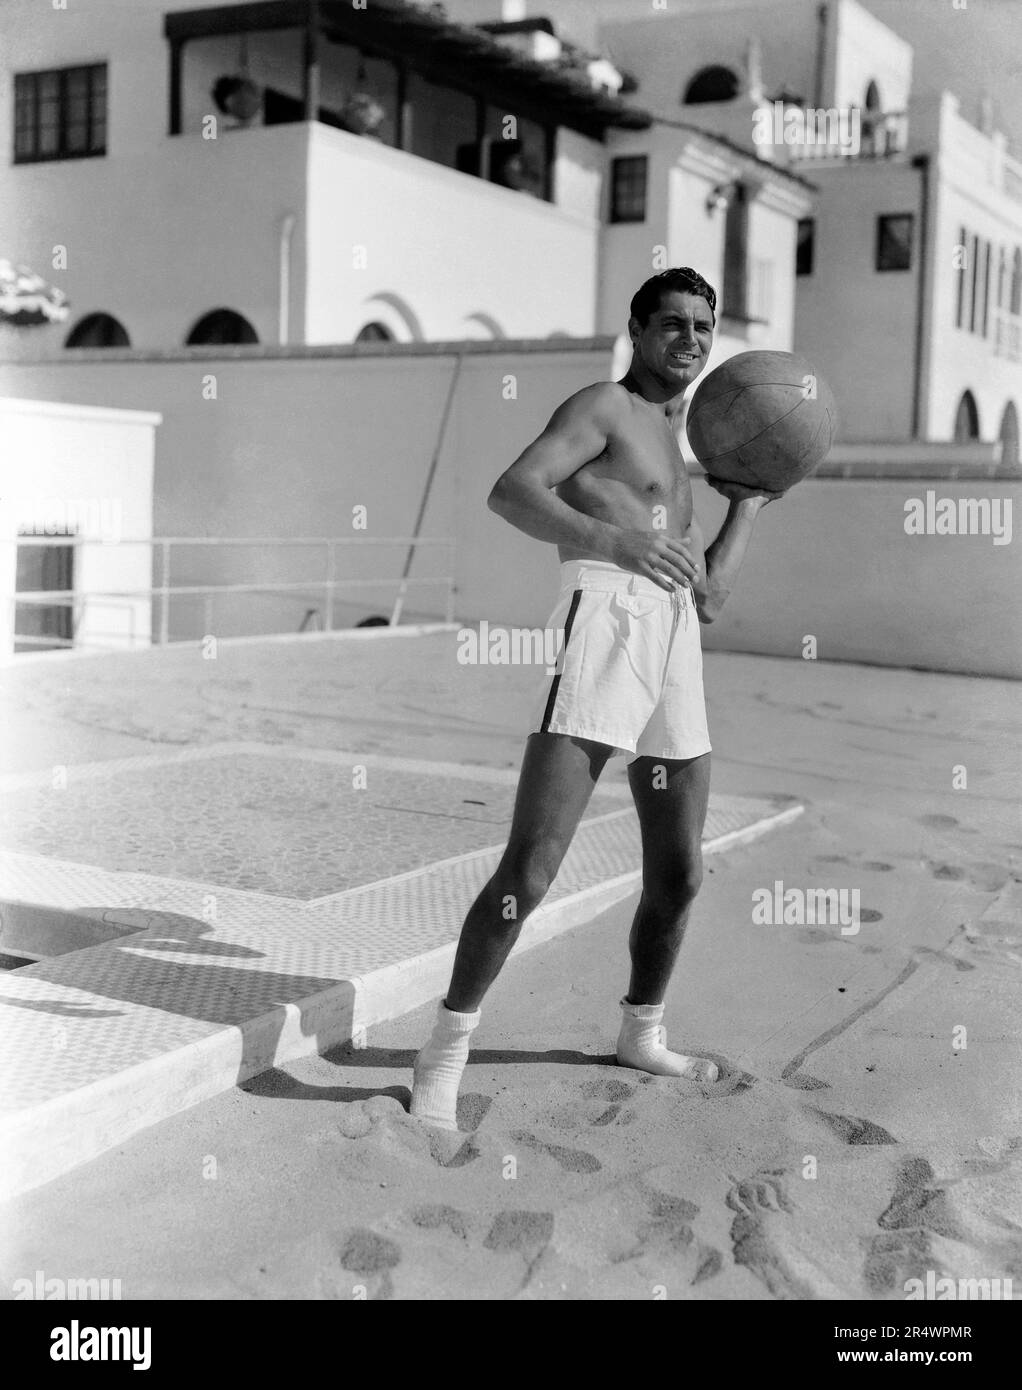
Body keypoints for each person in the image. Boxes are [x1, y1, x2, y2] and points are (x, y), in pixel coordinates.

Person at [410, 267, 781, 1131]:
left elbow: (712, 596)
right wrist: (614, 539)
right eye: (673, 324)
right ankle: (444, 1055)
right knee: (532, 867)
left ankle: (640, 1032)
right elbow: (512, 490)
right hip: (606, 621)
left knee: (681, 870)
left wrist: (748, 511)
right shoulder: (602, 409)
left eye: (703, 327)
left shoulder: (683, 455)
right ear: (638, 331)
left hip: (675, 637)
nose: (690, 340)